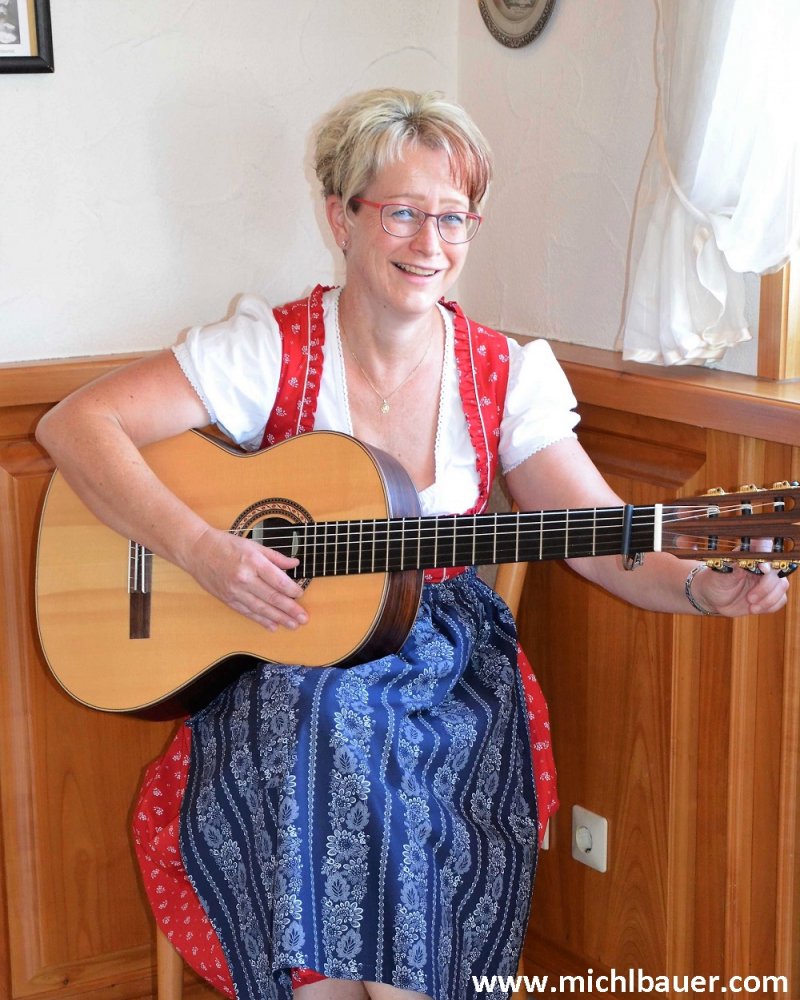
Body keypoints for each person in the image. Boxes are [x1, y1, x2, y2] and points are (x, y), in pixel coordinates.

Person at [35, 88, 789, 1000]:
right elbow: (75, 427)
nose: (429, 242)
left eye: (453, 217)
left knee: (358, 749)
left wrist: (702, 588)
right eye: (401, 212)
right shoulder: (270, 349)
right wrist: (199, 547)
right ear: (340, 218)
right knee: (315, 717)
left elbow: (601, 536)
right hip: (279, 661)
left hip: (445, 681)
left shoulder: (505, 373)